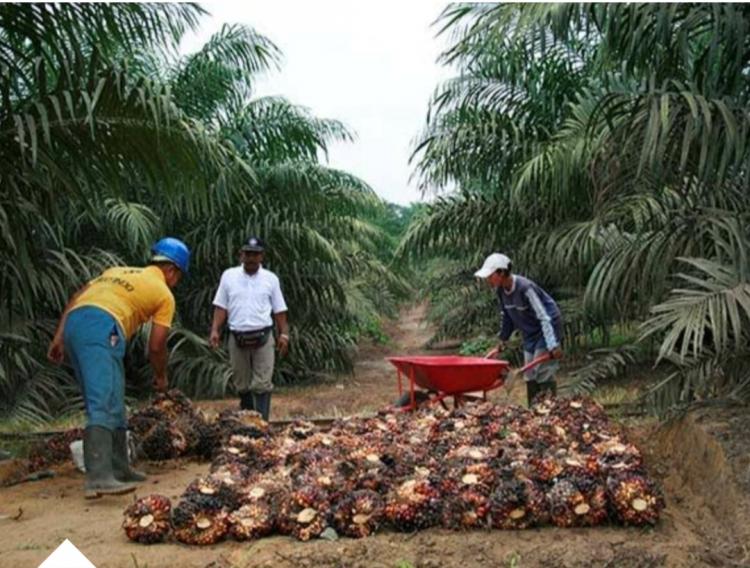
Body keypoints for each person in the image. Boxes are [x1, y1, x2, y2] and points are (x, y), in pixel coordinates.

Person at [47, 237, 190, 498]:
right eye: (178, 277)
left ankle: (120, 468)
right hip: (103, 327)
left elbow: (77, 297)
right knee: (102, 398)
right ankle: (99, 477)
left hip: (76, 325)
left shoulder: (116, 272)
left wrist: (59, 337)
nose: (176, 283)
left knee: (113, 394)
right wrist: (161, 377)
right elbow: (156, 346)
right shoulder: (163, 294)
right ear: (172, 270)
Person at [209, 236, 289, 421]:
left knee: (262, 384)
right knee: (242, 384)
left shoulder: (271, 279)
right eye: (248, 254)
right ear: (241, 255)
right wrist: (215, 330)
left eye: (255, 254)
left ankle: (262, 424)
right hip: (237, 336)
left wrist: (284, 334)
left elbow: (279, 309)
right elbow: (221, 306)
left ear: (262, 256)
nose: (251, 258)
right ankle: (247, 423)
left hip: (263, 336)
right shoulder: (229, 276)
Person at [475, 253, 563, 405]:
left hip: (547, 328)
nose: (488, 279)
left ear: (502, 272)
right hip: (529, 333)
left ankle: (549, 409)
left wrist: (552, 344)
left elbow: (544, 316)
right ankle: (534, 410)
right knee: (529, 374)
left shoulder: (525, 288)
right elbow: (507, 317)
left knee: (542, 371)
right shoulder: (501, 291)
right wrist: (502, 341)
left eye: (491, 275)